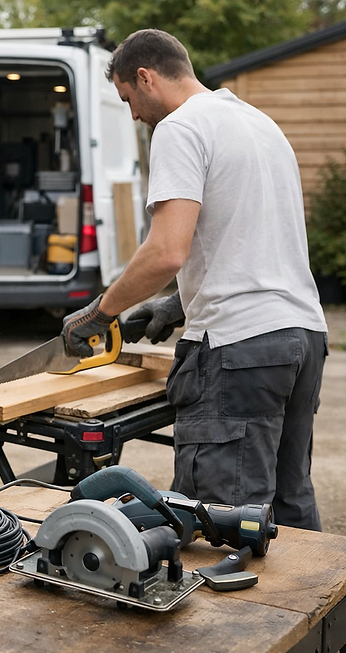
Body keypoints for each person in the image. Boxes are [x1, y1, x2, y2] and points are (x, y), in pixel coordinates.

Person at [59, 29, 328, 531]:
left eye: (128, 99)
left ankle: (244, 614)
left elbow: (165, 252)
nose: (134, 115)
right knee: (288, 508)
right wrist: (177, 306)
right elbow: (252, 243)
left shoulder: (180, 128)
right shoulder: (258, 123)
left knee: (225, 522)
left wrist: (102, 312)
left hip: (240, 351)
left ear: (145, 77)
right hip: (302, 338)